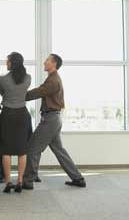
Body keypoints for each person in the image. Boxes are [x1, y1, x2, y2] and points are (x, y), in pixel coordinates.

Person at [22, 54, 86, 189]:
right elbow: (40, 90)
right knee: (59, 150)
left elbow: (39, 92)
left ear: (54, 63)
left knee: (32, 148)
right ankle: (78, 178)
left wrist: (20, 95)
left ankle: (28, 181)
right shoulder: (52, 78)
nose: (44, 62)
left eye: (47, 60)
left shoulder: (53, 80)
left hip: (50, 120)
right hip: (54, 118)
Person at [0, 52, 32, 193]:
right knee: (22, 150)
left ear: (12, 63)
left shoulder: (3, 80)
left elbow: (1, 92)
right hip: (22, 114)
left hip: (8, 115)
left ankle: (7, 182)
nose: (6, 63)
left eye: (7, 61)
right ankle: (19, 180)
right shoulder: (28, 78)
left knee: (6, 150)